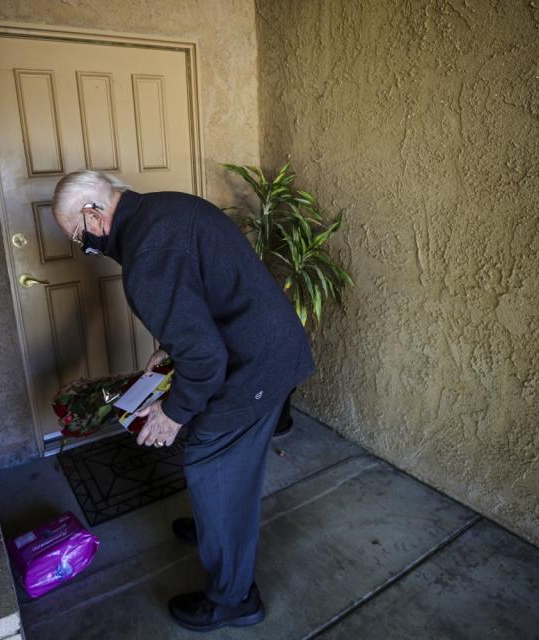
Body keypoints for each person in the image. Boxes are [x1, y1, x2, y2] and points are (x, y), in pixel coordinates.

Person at [51, 170, 314, 632]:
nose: (82, 244)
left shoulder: (146, 256)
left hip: (253, 366)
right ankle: (214, 527)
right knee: (227, 469)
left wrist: (172, 414)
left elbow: (206, 358)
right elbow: (206, 286)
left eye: (76, 234)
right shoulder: (164, 208)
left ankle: (233, 599)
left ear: (94, 213)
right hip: (274, 346)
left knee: (211, 463)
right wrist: (171, 346)